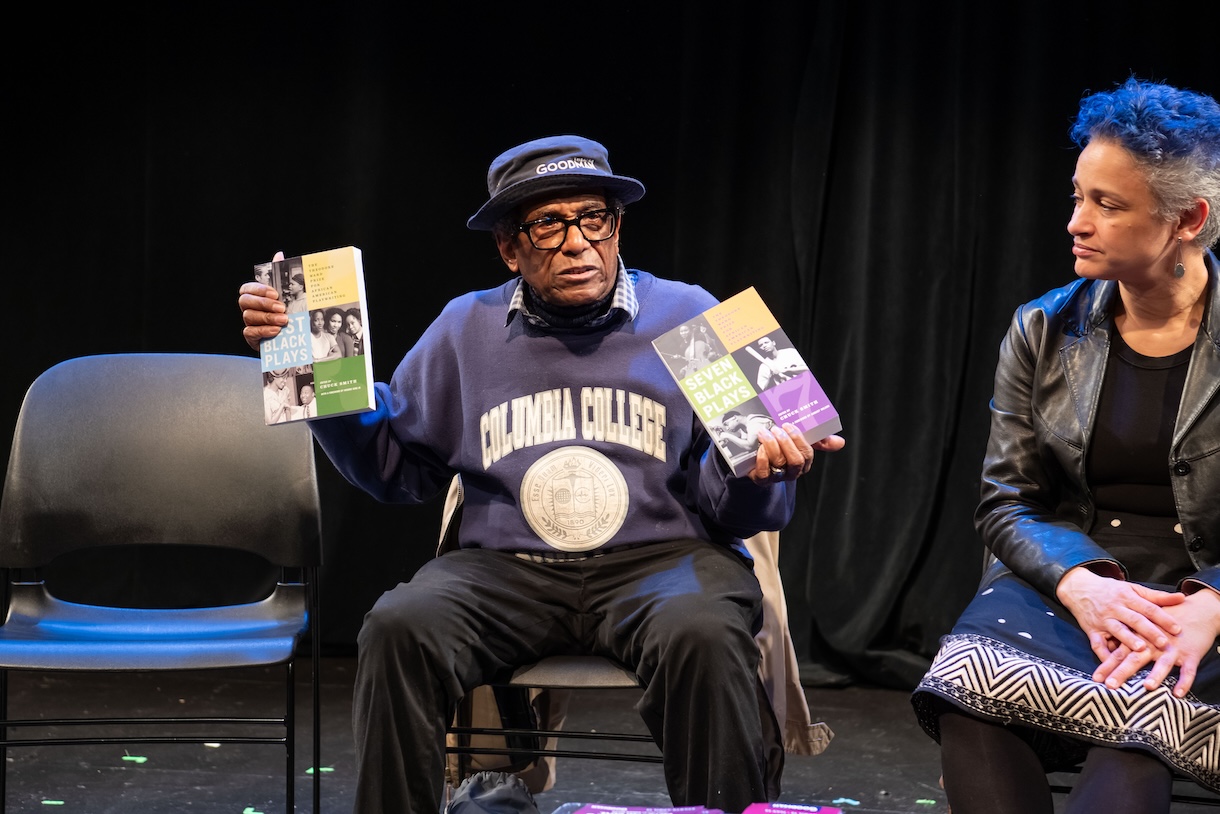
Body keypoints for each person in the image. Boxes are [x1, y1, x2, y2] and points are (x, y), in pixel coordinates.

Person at [237, 135, 845, 814]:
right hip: (506, 571)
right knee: (399, 625)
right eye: (548, 225)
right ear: (509, 247)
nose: (577, 242)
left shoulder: (694, 317)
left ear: (617, 228)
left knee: (704, 631)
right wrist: (313, 376)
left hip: (662, 564)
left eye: (594, 219)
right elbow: (394, 470)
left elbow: (733, 505)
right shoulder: (466, 328)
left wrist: (761, 474)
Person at [911, 77, 1220, 814]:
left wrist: (1211, 602)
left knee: (1141, 733)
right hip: (1075, 581)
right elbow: (1006, 501)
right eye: (1078, 195)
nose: (1076, 222)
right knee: (968, 696)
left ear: (1188, 219)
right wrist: (1079, 583)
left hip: (1200, 604)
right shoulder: (1042, 329)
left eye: (1108, 205)